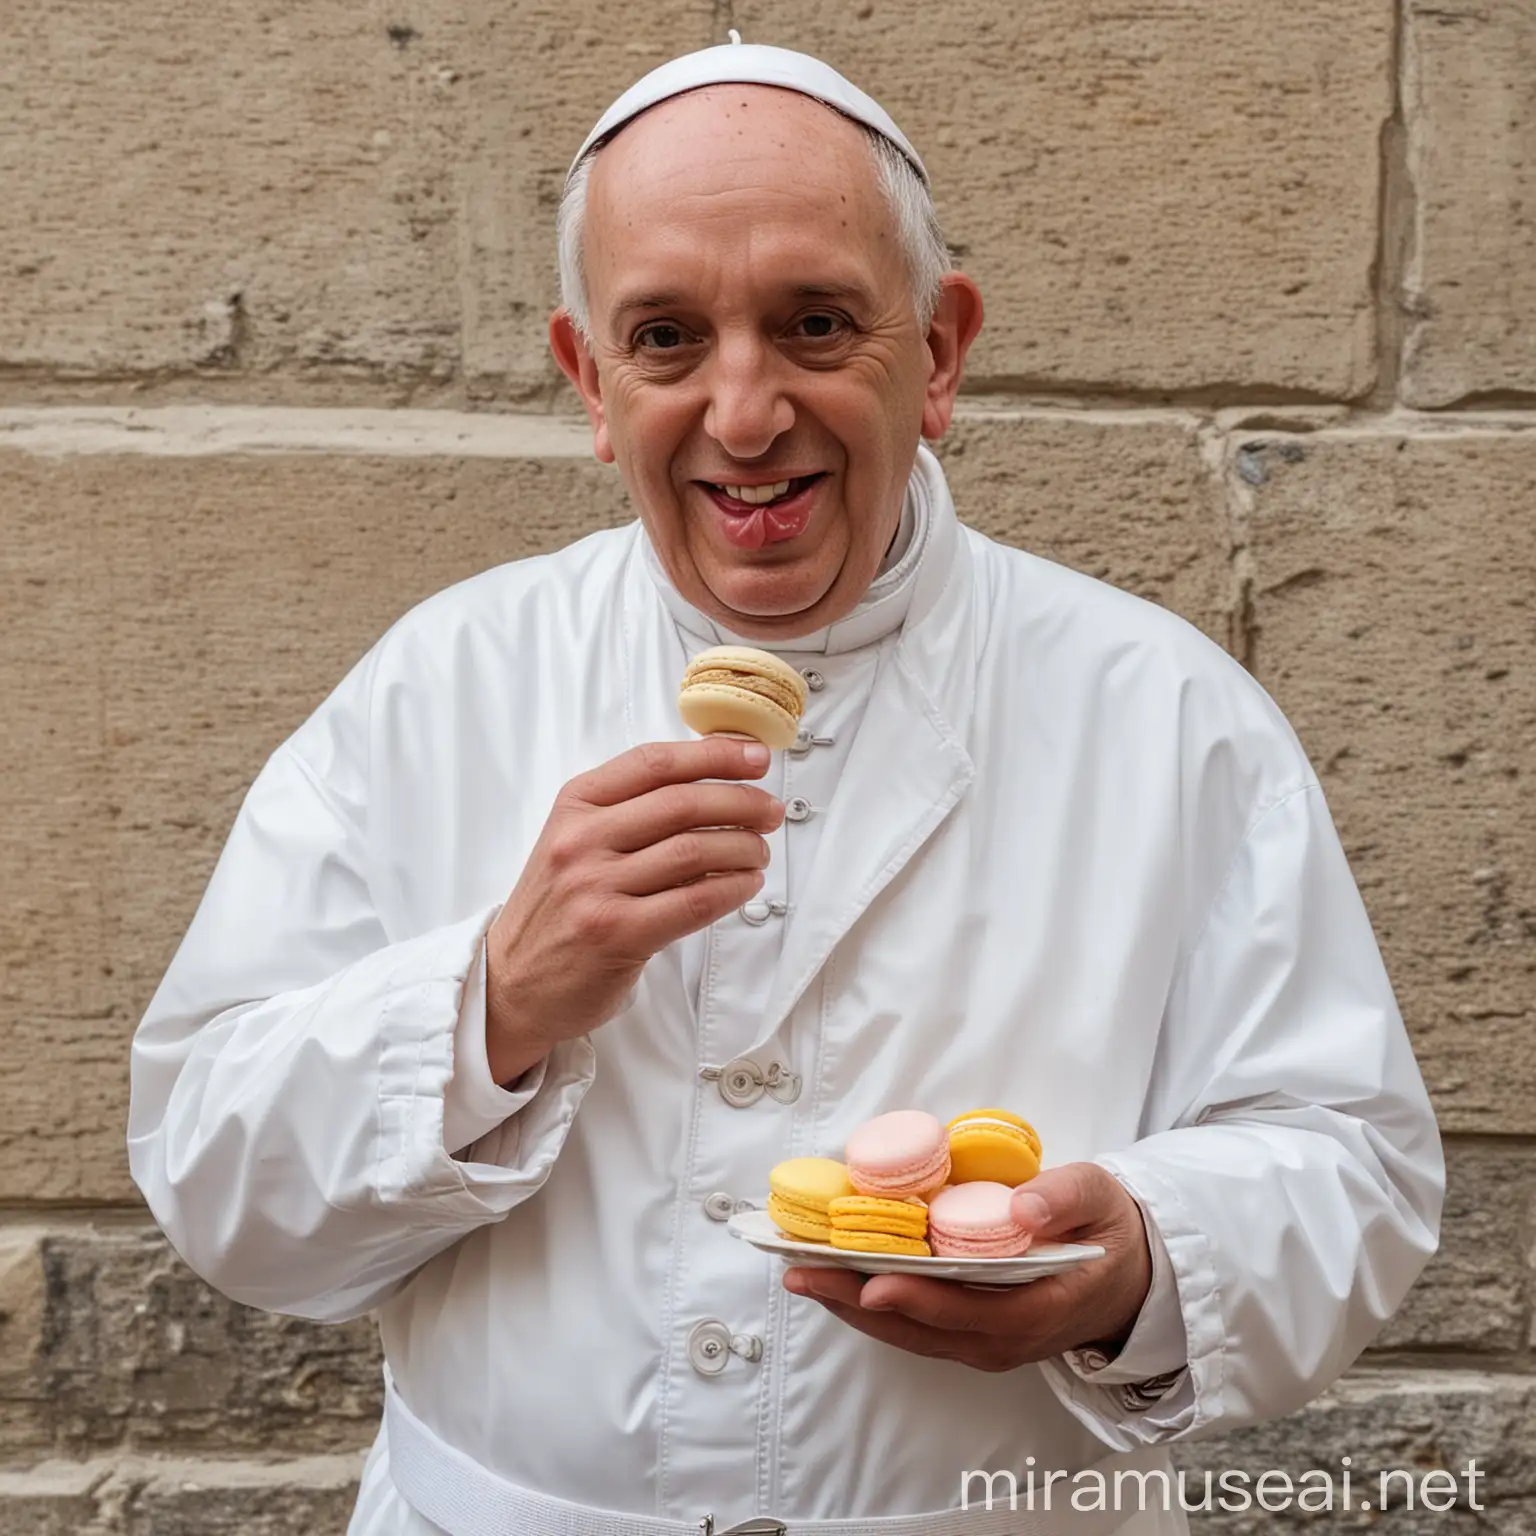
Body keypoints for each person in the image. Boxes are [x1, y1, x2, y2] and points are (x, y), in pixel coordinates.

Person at [127, 38, 1443, 1536]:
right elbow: (211, 1170)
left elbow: (1351, 1168)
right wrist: (492, 1000)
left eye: (816, 325)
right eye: (669, 340)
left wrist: (1143, 1261)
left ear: (939, 352)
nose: (745, 416)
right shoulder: (441, 685)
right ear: (590, 381)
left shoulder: (1165, 710)